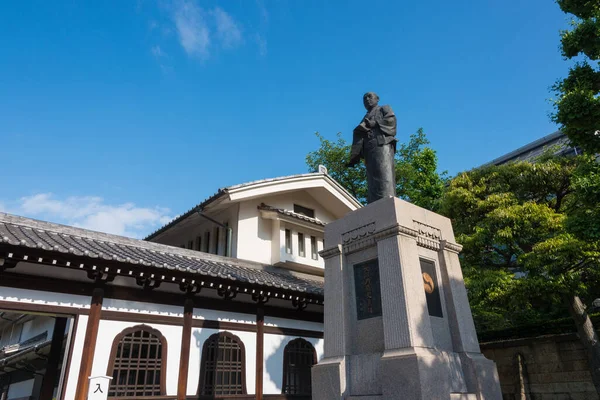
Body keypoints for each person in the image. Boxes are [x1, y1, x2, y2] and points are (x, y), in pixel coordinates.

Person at [347, 92, 397, 203]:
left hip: (382, 145)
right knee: (372, 178)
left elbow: (391, 121)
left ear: (377, 99)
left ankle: (387, 201)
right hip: (369, 149)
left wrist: (374, 123)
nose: (367, 99)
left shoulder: (384, 108)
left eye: (370, 97)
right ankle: (375, 203)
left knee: (384, 173)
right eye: (364, 98)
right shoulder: (365, 117)